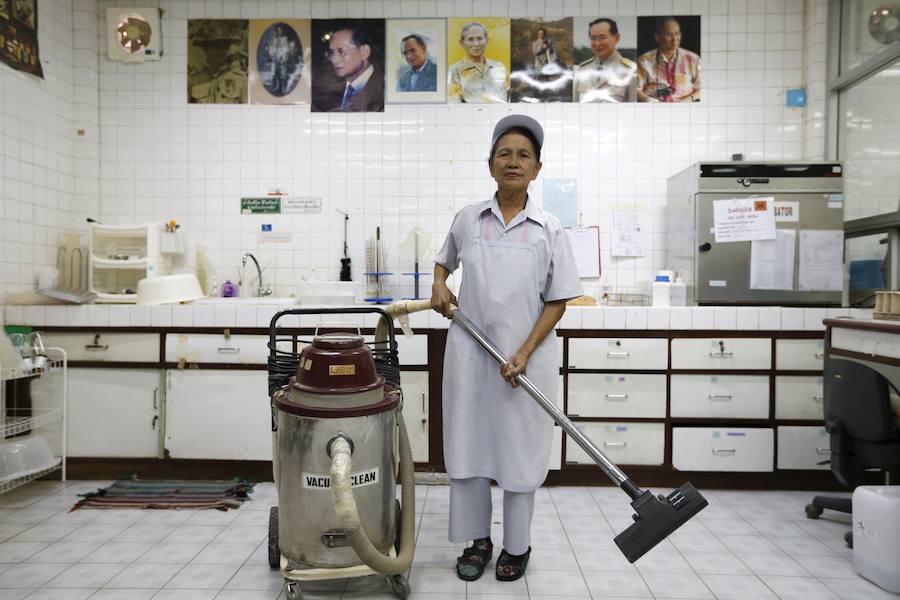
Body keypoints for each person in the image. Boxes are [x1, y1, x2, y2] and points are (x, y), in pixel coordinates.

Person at [431, 115, 583, 582]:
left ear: (537, 169)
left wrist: (524, 352)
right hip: (472, 356)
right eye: (504, 154)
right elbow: (442, 263)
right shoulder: (468, 218)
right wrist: (438, 285)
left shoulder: (548, 229)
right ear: (490, 165)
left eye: (523, 155)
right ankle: (478, 541)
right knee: (470, 445)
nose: (513, 162)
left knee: (520, 450)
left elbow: (559, 299)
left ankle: (517, 547)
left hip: (526, 360)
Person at [637, 16, 700, 102]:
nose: (675, 39)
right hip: (654, 106)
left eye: (677, 33)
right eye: (669, 35)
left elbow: (702, 88)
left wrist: (688, 100)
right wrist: (649, 100)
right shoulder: (644, 60)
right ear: (657, 37)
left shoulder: (693, 59)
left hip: (685, 105)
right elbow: (636, 89)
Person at [572, 18, 637, 103]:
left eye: (603, 37)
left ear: (617, 38)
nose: (597, 43)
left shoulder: (631, 70)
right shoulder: (582, 69)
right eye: (593, 38)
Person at [325, 24, 384, 112]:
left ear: (364, 52)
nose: (334, 60)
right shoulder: (331, 91)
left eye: (341, 52)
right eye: (332, 53)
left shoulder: (382, 93)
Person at [188, 21, 248, 104]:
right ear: (205, 48)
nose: (221, 50)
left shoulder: (241, 80)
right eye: (216, 45)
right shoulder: (194, 80)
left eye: (225, 45)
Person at [447, 22, 508, 103]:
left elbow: (509, 96)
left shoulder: (499, 66)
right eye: (470, 39)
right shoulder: (455, 70)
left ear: (487, 40)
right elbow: (453, 103)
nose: (476, 44)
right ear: (462, 43)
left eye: (479, 38)